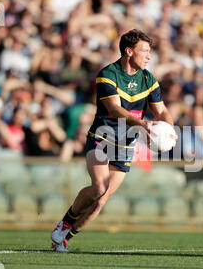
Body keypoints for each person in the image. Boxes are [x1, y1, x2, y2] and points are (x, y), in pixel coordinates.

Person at [51, 29, 176, 252]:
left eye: (149, 52)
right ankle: (65, 221)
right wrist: (143, 124)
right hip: (103, 137)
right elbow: (115, 109)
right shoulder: (107, 74)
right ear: (129, 51)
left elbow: (162, 111)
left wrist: (169, 129)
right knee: (99, 187)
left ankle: (65, 239)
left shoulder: (148, 79)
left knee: (101, 200)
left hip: (126, 144)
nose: (149, 56)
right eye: (144, 51)